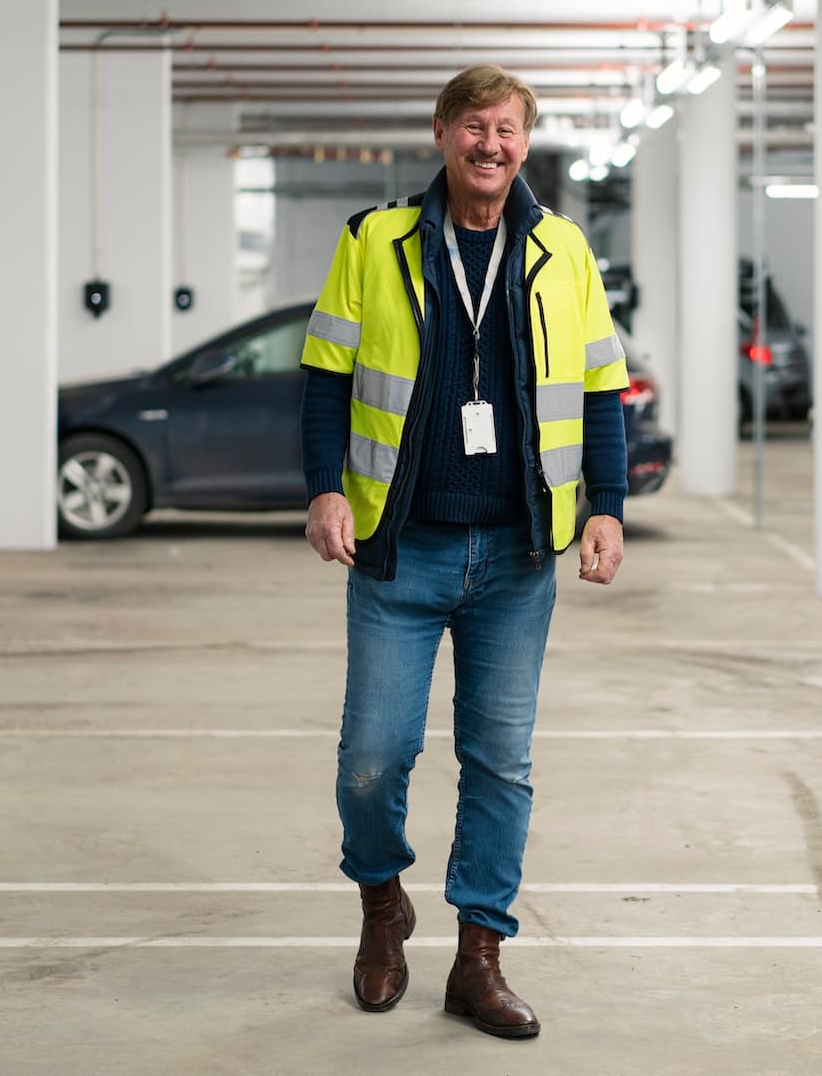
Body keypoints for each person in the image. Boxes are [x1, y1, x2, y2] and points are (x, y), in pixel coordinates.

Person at [298, 64, 629, 1040]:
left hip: (519, 556)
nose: (491, 144)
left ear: (526, 143)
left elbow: (600, 388)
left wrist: (605, 508)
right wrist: (325, 488)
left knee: (500, 764)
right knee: (371, 760)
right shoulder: (375, 240)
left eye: (508, 129)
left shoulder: (564, 251)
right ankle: (382, 906)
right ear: (442, 133)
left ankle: (478, 959)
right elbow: (326, 374)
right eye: (474, 125)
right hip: (400, 551)